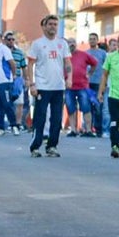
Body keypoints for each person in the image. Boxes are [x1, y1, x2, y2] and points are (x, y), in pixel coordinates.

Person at [26, 15, 72, 158]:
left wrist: (69, 78)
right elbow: (30, 65)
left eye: (55, 24)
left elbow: (68, 63)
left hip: (58, 87)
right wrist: (32, 84)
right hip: (42, 86)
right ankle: (35, 146)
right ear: (44, 26)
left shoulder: (62, 44)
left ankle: (52, 146)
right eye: (50, 24)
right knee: (40, 118)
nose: (53, 27)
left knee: (56, 119)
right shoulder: (37, 44)